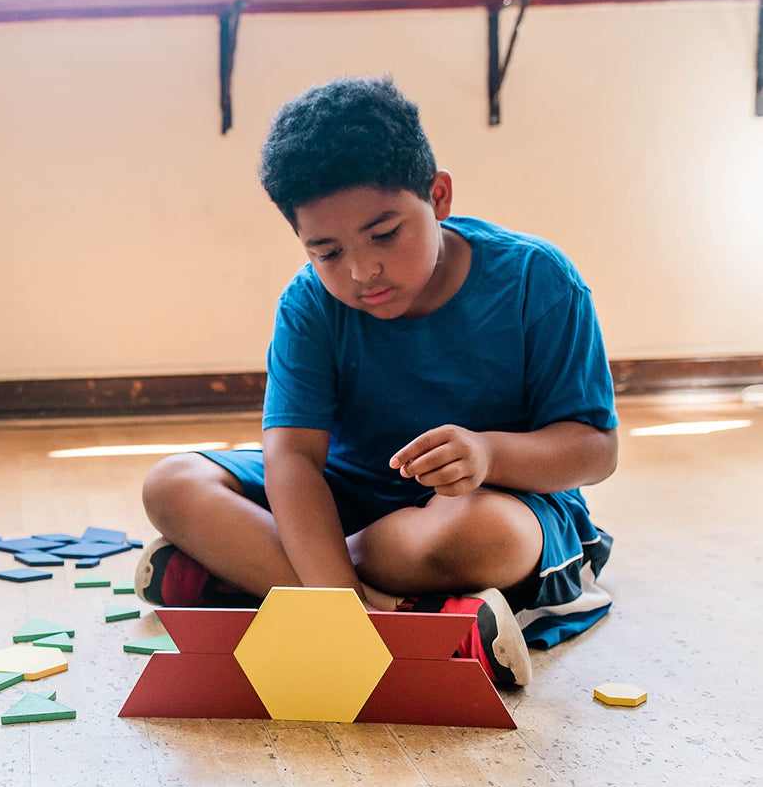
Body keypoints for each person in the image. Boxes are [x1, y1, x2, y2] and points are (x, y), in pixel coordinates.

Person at [136, 76, 618, 687]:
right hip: (345, 495)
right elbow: (293, 460)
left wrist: (490, 453)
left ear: (438, 196)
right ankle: (388, 612)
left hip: (482, 507)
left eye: (385, 234)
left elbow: (596, 450)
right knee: (172, 484)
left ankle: (251, 572)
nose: (362, 270)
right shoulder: (309, 304)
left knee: (489, 535)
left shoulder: (537, 279)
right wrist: (351, 613)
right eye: (327, 251)